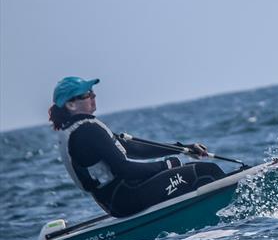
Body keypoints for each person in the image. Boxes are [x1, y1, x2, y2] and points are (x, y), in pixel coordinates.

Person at [48, 76, 226, 217]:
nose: (93, 96)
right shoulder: (87, 130)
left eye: (92, 92)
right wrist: (168, 165)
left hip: (116, 200)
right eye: (87, 94)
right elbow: (125, 169)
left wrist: (182, 149)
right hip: (127, 196)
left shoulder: (76, 129)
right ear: (71, 104)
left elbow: (133, 149)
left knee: (190, 171)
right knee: (205, 171)